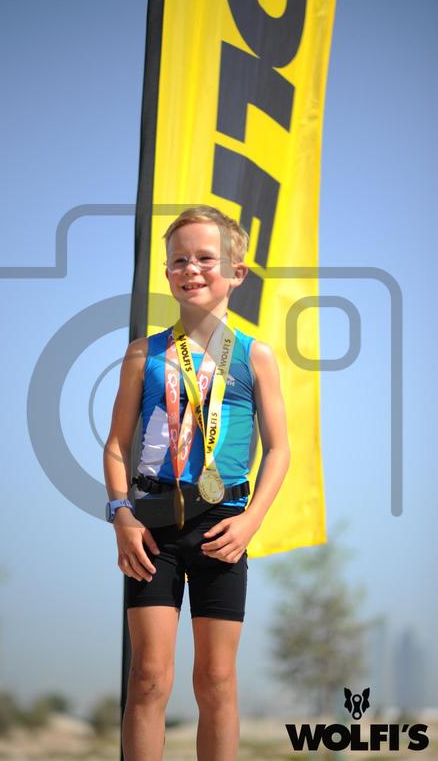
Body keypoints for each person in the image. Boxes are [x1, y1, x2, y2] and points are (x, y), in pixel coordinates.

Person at [103, 205, 290, 761]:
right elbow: (116, 446)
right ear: (167, 274)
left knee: (216, 680)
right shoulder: (143, 354)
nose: (192, 269)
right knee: (148, 678)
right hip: (151, 528)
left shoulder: (255, 356)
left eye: (206, 258)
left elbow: (279, 449)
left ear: (236, 272)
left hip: (223, 526)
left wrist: (251, 520)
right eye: (179, 260)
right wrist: (121, 515)